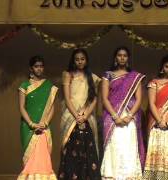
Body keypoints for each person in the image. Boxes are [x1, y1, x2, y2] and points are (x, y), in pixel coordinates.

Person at [100, 46, 145, 179]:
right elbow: (104, 98)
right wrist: (115, 116)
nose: (122, 58)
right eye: (119, 55)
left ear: (128, 58)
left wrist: (129, 116)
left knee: (128, 146)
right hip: (112, 117)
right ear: (115, 57)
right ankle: (112, 176)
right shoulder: (108, 75)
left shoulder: (135, 77)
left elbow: (139, 99)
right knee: (114, 145)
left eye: (125, 55)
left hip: (129, 118)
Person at [58, 48, 101, 180]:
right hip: (71, 116)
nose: (80, 61)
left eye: (82, 59)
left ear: (86, 60)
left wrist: (86, 114)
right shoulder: (68, 75)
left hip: (87, 117)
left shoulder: (92, 77)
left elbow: (94, 98)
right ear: (73, 60)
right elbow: (67, 98)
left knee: (88, 151)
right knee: (71, 151)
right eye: (77, 59)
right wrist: (76, 115)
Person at [18, 56, 57, 180]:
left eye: (41, 66)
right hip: (29, 127)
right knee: (31, 158)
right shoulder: (24, 85)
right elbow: (22, 108)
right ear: (31, 68)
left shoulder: (49, 86)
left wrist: (45, 123)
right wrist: (31, 123)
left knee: (43, 157)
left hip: (44, 127)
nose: (39, 69)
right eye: (36, 66)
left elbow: (52, 108)